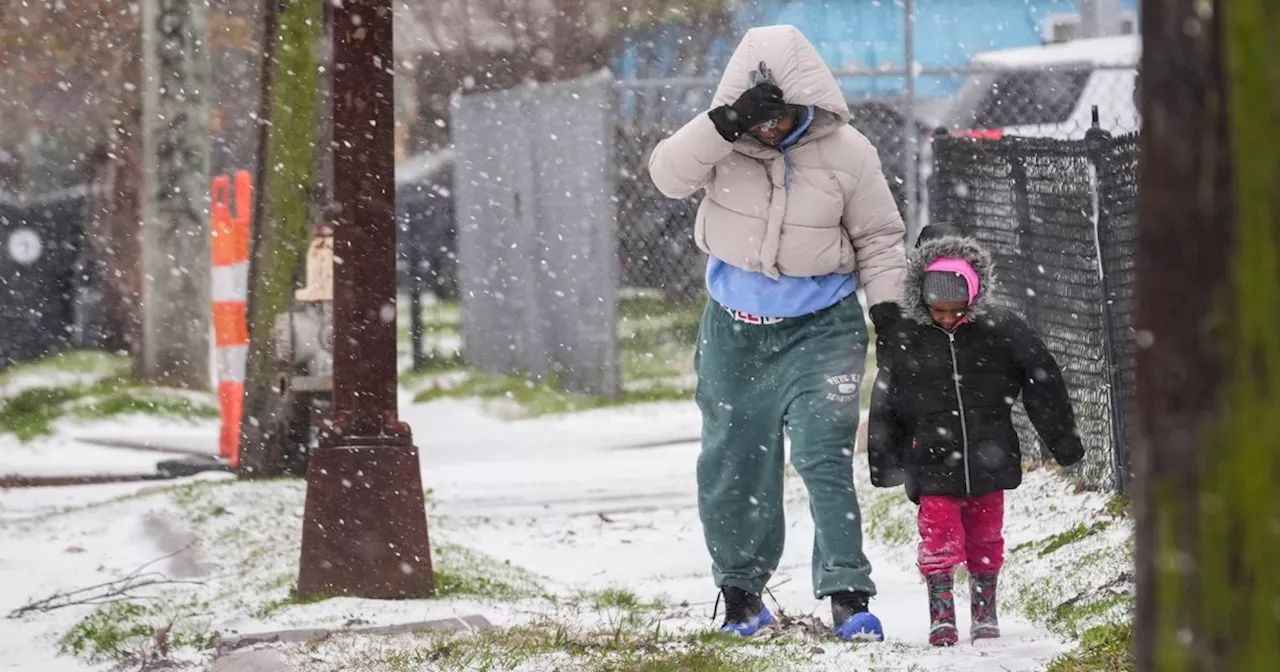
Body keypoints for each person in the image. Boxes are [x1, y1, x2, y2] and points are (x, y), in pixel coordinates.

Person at [648, 25, 907, 642]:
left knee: (823, 456)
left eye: (780, 113)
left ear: (806, 101)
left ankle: (849, 595)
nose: (769, 128)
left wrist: (889, 313)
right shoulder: (719, 145)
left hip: (823, 331)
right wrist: (724, 123)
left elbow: (879, 237)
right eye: (758, 114)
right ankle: (740, 595)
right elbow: (666, 175)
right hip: (734, 334)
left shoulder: (849, 152)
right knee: (734, 460)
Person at [866, 228, 1084, 646]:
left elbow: (1043, 380)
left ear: (974, 295)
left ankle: (985, 611)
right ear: (921, 298)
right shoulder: (905, 336)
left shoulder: (1001, 330)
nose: (947, 317)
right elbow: (886, 401)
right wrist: (885, 459)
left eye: (955, 309)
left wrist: (1063, 441)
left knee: (986, 537)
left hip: (991, 455)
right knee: (938, 538)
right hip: (929, 459)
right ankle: (942, 615)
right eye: (938, 310)